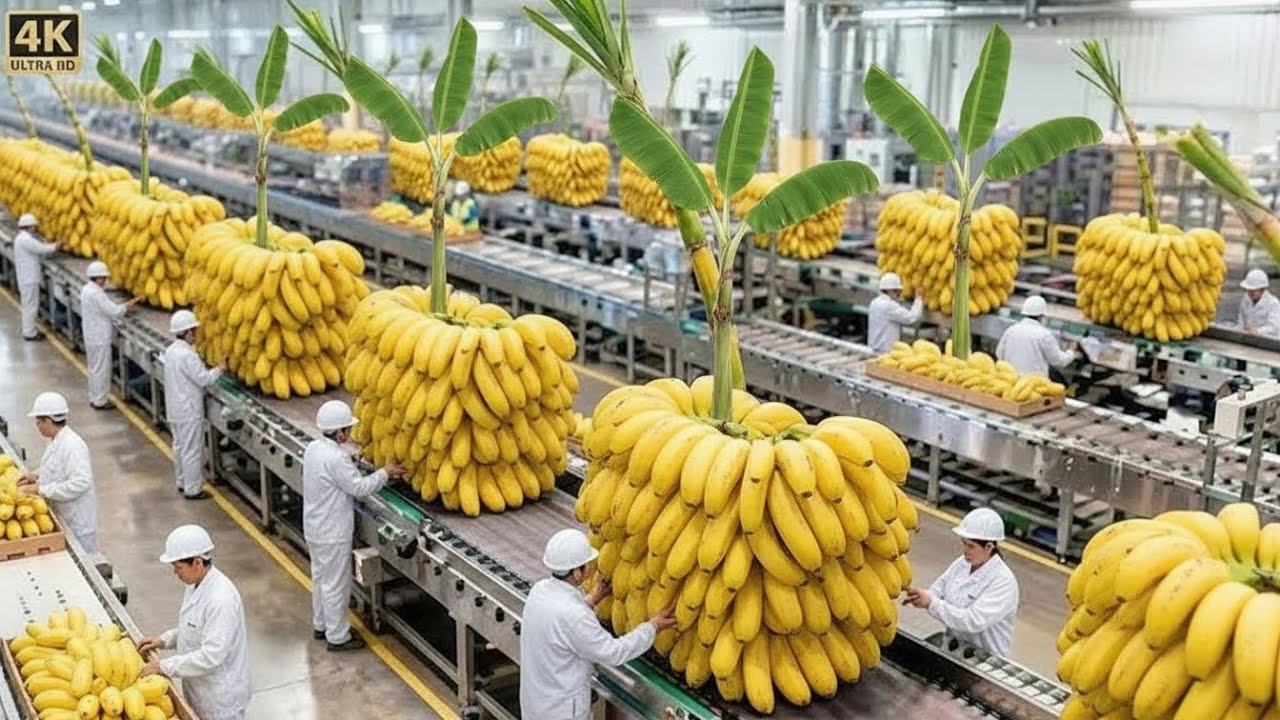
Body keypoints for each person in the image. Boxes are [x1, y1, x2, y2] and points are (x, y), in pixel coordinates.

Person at [520, 529, 677, 720]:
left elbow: (562, 622)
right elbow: (613, 652)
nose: (592, 568)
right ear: (577, 573)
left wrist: (592, 599)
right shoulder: (574, 615)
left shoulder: (539, 590)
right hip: (561, 712)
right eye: (587, 565)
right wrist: (652, 627)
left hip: (536, 705)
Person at [302, 400, 405, 651]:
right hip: (333, 533)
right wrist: (385, 472)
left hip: (314, 528)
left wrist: (352, 459)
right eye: (347, 429)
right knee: (336, 585)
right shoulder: (337, 458)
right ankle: (338, 637)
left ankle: (321, 625)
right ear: (339, 432)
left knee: (321, 579)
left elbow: (334, 470)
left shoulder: (313, 448)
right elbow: (359, 488)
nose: (349, 433)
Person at [138, 525, 251, 720]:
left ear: (197, 563)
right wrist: (164, 640)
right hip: (200, 690)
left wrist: (164, 666)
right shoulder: (195, 583)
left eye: (178, 567)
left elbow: (212, 656)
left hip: (220, 700)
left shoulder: (221, 599)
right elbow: (193, 627)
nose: (175, 573)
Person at [904, 508, 1019, 657]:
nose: (965, 550)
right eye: (963, 543)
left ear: (989, 547)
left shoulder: (1003, 582)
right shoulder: (963, 563)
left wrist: (931, 603)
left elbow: (972, 621)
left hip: (985, 659)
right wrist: (922, 596)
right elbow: (939, 589)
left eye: (971, 546)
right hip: (954, 649)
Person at [17, 392, 98, 554]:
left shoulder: (73, 446)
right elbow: (56, 466)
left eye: (38, 421)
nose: (37, 426)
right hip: (64, 516)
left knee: (84, 560)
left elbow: (81, 483)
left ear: (48, 421)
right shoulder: (56, 440)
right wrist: (35, 475)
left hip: (78, 524)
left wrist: (40, 489)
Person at [162, 310, 226, 500]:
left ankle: (182, 482)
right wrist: (220, 369)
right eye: (195, 331)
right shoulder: (187, 355)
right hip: (188, 411)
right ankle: (193, 489)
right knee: (192, 450)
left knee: (179, 447)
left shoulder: (171, 351)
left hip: (175, 409)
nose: (197, 334)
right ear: (189, 332)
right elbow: (203, 379)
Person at [80, 261, 141, 410]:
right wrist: (128, 305)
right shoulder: (96, 294)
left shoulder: (86, 289)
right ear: (98, 278)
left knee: (94, 368)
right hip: (99, 338)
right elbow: (114, 311)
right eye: (104, 278)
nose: (105, 281)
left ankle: (94, 398)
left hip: (91, 336)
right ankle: (100, 401)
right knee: (102, 369)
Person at [995, 295, 1075, 377]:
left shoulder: (1011, 330)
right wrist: (1071, 350)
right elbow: (1059, 361)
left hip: (1011, 380)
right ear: (1041, 315)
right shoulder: (1044, 335)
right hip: (1033, 383)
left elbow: (999, 354)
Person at [13, 213, 63, 341]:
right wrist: (55, 246)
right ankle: (30, 333)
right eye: (34, 226)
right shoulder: (26, 240)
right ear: (29, 226)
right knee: (31, 306)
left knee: (28, 305)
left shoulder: (20, 238)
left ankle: (29, 330)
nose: (35, 228)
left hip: (26, 277)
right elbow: (40, 248)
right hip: (29, 279)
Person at [867, 272, 923, 354]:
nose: (898, 294)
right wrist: (918, 299)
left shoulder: (874, 302)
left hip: (873, 347)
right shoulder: (889, 306)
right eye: (896, 291)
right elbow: (911, 318)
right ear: (890, 290)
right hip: (886, 351)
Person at [1238, 268, 1280, 338]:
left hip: (1269, 341)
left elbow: (1273, 328)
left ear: (1262, 289)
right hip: (1248, 338)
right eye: (1248, 290)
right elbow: (1241, 320)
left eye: (1253, 291)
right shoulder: (1246, 299)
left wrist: (1257, 331)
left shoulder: (1273, 303)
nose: (1250, 293)